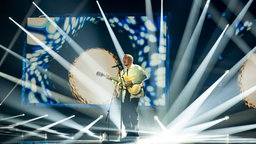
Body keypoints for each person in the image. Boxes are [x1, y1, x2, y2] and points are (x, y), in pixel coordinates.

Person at [117, 54, 148, 139]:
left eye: (125, 59)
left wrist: (132, 81)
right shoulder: (123, 71)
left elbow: (144, 76)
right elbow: (121, 83)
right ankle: (128, 131)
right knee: (124, 113)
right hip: (125, 95)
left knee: (133, 113)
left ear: (130, 60)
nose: (123, 60)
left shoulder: (137, 68)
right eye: (123, 59)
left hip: (134, 94)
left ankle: (135, 131)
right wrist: (118, 84)